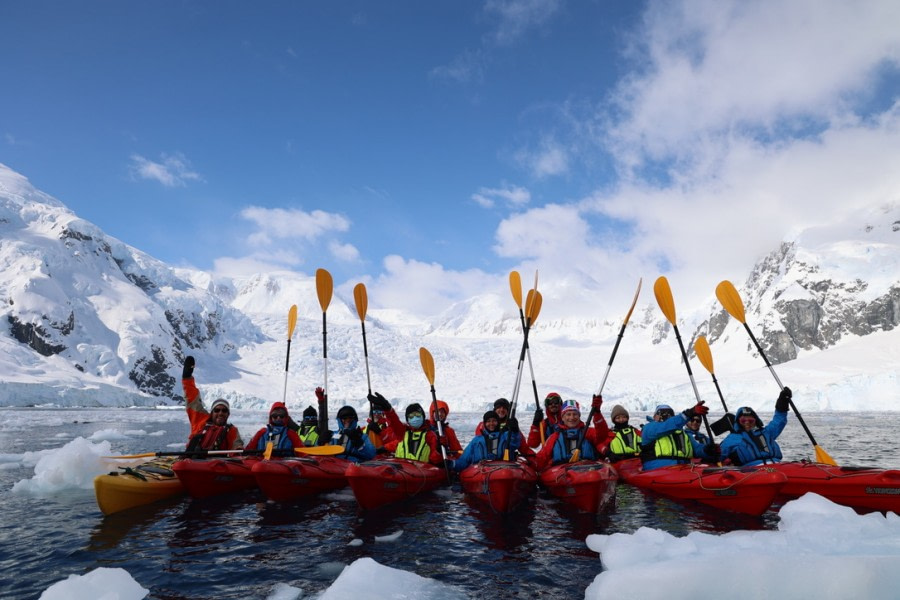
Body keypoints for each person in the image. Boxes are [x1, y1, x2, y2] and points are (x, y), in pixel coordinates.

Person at [182, 356, 244, 451]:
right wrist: (187, 377)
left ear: (228, 414)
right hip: (192, 460)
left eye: (224, 410)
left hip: (215, 464)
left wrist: (239, 449)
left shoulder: (231, 431)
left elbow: (237, 445)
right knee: (180, 466)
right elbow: (192, 400)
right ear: (212, 412)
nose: (220, 413)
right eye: (217, 410)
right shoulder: (200, 420)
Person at [719, 387, 791, 466]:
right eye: (743, 421)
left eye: (751, 421)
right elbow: (719, 455)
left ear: (755, 421)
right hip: (751, 470)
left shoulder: (766, 432)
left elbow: (778, 421)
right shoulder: (732, 438)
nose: (747, 423)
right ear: (738, 422)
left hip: (776, 465)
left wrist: (782, 403)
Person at [639, 402, 718, 470]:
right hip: (657, 468)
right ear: (654, 417)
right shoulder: (649, 429)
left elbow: (696, 449)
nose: (666, 415)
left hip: (683, 468)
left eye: (669, 413)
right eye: (661, 412)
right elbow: (666, 426)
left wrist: (707, 450)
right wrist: (688, 413)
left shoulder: (683, 433)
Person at [535, 397, 607, 470]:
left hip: (589, 469)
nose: (572, 418)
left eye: (575, 414)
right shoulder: (554, 437)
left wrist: (597, 413)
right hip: (561, 472)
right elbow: (541, 458)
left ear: (579, 416)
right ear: (562, 417)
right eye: (568, 414)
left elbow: (602, 435)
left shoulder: (588, 432)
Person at [373, 394, 444, 465]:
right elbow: (394, 422)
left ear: (423, 417)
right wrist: (387, 408)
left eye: (417, 415)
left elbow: (435, 458)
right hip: (401, 470)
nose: (415, 418)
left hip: (421, 472)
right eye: (411, 416)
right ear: (407, 420)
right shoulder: (403, 432)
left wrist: (438, 450)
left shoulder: (430, 435)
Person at [450, 410, 521, 472]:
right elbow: (464, 460)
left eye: (494, 421)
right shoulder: (477, 440)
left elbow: (514, 442)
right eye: (488, 421)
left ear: (498, 422)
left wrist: (514, 430)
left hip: (504, 469)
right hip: (480, 471)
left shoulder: (506, 436)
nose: (491, 424)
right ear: (484, 423)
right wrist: (451, 464)